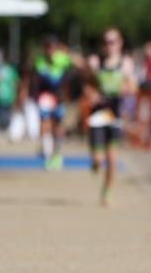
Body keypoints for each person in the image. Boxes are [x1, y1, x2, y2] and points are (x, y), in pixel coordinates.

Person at [85, 28, 137, 205]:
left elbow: (133, 87)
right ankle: (95, 163)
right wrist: (91, 94)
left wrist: (125, 89)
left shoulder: (126, 63)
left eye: (112, 42)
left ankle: (106, 192)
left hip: (115, 114)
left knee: (112, 160)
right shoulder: (94, 62)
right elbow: (86, 84)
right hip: (98, 115)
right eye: (105, 42)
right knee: (98, 159)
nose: (109, 46)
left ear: (119, 43)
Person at [31, 36, 81, 171]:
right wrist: (35, 96)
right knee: (45, 124)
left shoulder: (63, 59)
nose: (50, 50)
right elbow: (34, 80)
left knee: (57, 127)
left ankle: (57, 153)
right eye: (47, 47)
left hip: (59, 98)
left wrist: (68, 53)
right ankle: (48, 155)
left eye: (53, 47)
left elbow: (79, 65)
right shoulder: (39, 62)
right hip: (45, 97)